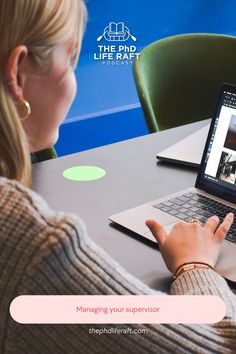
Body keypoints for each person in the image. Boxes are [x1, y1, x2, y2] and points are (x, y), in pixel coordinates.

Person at [0, 1, 235, 353]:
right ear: (18, 73)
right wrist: (194, 264)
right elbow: (218, 346)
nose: (75, 82)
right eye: (72, 61)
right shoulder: (29, 242)